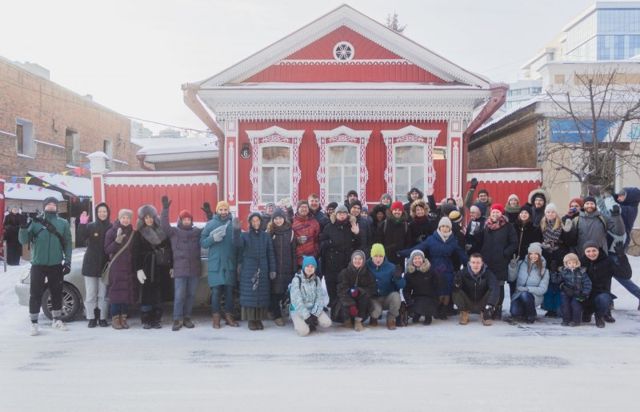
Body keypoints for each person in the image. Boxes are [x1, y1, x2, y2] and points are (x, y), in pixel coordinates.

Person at [19, 197, 72, 335]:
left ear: (57, 207)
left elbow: (68, 243)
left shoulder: (63, 223)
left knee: (56, 292)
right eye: (49, 204)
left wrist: (68, 261)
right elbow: (24, 241)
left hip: (56, 264)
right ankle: (34, 323)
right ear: (44, 206)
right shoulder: (36, 222)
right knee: (35, 293)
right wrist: (23, 228)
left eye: (54, 204)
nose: (51, 206)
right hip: (38, 264)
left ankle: (57, 320)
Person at [399, 217, 468, 320]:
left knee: (447, 289)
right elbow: (419, 248)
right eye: (443, 226)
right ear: (439, 227)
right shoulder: (431, 239)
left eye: (447, 227)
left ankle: (444, 309)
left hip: (447, 267)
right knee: (437, 288)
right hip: (435, 266)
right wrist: (403, 253)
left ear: (450, 228)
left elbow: (460, 253)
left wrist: (470, 263)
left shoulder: (453, 240)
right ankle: (436, 309)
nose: (445, 228)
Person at [160, 196, 202, 331]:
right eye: (184, 219)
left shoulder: (196, 232)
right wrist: (165, 209)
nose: (187, 221)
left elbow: (209, 230)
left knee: (191, 295)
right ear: (180, 220)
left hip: (194, 270)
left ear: (191, 221)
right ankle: (177, 319)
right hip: (180, 270)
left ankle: (187, 317)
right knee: (179, 296)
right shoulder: (174, 232)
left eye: (189, 219)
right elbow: (164, 226)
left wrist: (209, 215)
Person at [233, 213, 276, 331]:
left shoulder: (266, 236)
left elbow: (270, 253)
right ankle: (251, 320)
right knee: (250, 294)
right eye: (253, 221)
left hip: (263, 267)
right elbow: (237, 244)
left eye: (257, 220)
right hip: (249, 268)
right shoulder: (245, 235)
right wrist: (236, 231)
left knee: (261, 294)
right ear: (250, 223)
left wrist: (272, 269)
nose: (256, 223)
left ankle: (259, 319)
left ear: (261, 222)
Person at [133, 204, 173, 329]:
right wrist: (138, 269)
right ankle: (146, 319)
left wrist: (171, 266)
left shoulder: (162, 231)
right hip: (146, 268)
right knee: (147, 295)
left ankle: (157, 319)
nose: (149, 220)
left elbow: (169, 250)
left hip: (161, 267)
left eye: (151, 217)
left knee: (159, 295)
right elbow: (135, 252)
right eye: (146, 217)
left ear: (155, 218)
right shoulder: (138, 233)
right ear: (142, 219)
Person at [201, 201, 238, 329]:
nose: (223, 212)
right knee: (216, 292)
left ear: (228, 211)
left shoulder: (233, 224)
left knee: (229, 292)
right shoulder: (211, 224)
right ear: (217, 211)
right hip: (215, 264)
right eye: (221, 209)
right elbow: (203, 242)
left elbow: (239, 244)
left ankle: (229, 316)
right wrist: (212, 239)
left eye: (225, 209)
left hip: (229, 263)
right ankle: (216, 318)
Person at [319, 204, 360, 317]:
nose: (342, 215)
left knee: (345, 289)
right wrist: (331, 243)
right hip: (331, 263)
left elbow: (358, 245)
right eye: (340, 213)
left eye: (344, 213)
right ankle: (335, 313)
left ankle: (346, 314)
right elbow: (321, 243)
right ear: (335, 214)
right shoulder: (329, 226)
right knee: (332, 289)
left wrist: (357, 234)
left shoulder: (351, 226)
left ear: (347, 215)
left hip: (346, 263)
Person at [478, 203, 517, 319]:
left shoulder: (508, 226)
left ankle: (498, 308)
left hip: (501, 261)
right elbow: (480, 241)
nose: (495, 214)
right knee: (487, 284)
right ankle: (487, 307)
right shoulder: (486, 225)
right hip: (486, 261)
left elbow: (514, 243)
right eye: (493, 212)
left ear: (502, 213)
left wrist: (505, 253)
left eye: (497, 212)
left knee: (499, 286)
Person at [581, 240, 631, 328]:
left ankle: (599, 316)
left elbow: (626, 275)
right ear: (584, 252)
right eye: (588, 251)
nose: (591, 253)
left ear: (598, 250)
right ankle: (587, 312)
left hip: (601, 293)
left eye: (594, 250)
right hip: (586, 295)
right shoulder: (581, 262)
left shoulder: (608, 261)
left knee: (604, 298)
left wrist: (622, 256)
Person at [77, 204, 111, 328]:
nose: (102, 213)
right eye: (100, 211)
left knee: (103, 294)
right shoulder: (91, 226)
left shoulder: (111, 227)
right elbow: (81, 238)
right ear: (96, 213)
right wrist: (82, 224)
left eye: (104, 211)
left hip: (105, 265)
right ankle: (91, 317)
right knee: (91, 294)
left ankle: (102, 318)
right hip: (90, 264)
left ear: (108, 213)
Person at [104, 209, 136, 330]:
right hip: (116, 268)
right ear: (119, 218)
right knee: (116, 294)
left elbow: (135, 251)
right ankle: (115, 319)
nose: (125, 220)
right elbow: (107, 250)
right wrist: (117, 241)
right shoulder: (111, 232)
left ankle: (123, 319)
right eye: (123, 217)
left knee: (126, 295)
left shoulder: (132, 233)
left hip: (128, 267)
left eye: (128, 218)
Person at [540, 203, 571, 318]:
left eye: (552, 212)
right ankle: (549, 308)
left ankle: (558, 307)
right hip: (546, 256)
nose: (550, 214)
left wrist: (567, 231)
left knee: (558, 283)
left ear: (556, 213)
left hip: (559, 256)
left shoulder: (561, 224)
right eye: (548, 212)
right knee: (547, 283)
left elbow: (567, 242)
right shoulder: (541, 224)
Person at [266, 208, 296, 326]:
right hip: (275, 268)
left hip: (287, 267)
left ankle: (279, 310)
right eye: (276, 219)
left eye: (280, 218)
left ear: (284, 219)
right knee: (275, 292)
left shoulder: (290, 232)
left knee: (285, 292)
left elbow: (293, 252)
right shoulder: (270, 232)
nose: (278, 221)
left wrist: (294, 268)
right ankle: (277, 315)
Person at [289, 256, 332, 336]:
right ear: (303, 267)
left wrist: (314, 314)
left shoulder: (317, 280)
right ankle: (301, 321)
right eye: (307, 266)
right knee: (303, 332)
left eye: (312, 267)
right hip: (298, 310)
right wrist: (307, 316)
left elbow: (319, 298)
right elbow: (296, 301)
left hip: (312, 308)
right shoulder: (297, 280)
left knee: (327, 323)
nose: (309, 268)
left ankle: (311, 322)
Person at [452, 253, 499, 326]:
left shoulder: (488, 274)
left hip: (482, 302)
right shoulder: (462, 273)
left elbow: (495, 288)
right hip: (468, 302)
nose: (475, 265)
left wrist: (490, 306)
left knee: (495, 289)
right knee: (456, 292)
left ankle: (485, 313)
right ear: (469, 263)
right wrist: (456, 284)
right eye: (473, 262)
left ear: (482, 263)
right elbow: (456, 288)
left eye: (478, 262)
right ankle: (464, 313)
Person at [508, 242, 549, 324]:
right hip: (518, 294)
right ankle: (525, 311)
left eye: (536, 254)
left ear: (540, 255)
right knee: (515, 312)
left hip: (534, 296)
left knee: (525, 295)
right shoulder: (521, 264)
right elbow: (511, 279)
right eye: (531, 253)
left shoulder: (544, 270)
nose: (533, 256)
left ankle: (531, 315)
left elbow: (543, 289)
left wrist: (527, 289)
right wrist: (512, 267)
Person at [367, 243, 405, 330]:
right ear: (372, 256)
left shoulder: (391, 267)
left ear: (384, 256)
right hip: (373, 298)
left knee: (396, 297)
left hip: (387, 297)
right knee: (376, 311)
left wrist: (398, 278)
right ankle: (373, 318)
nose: (378, 259)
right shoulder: (366, 266)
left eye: (380, 256)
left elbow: (402, 285)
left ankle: (391, 319)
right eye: (375, 256)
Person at [337, 250, 377, 331]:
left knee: (365, 298)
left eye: (360, 259)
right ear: (352, 259)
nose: (357, 261)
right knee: (343, 300)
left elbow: (372, 289)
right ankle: (347, 321)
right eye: (355, 258)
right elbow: (341, 290)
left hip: (361, 305)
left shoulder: (368, 274)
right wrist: (351, 304)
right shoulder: (344, 272)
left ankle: (358, 321)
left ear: (363, 260)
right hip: (347, 303)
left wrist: (359, 291)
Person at [404, 250, 443, 325]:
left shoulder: (431, 271)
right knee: (415, 311)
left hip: (430, 297)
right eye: (415, 259)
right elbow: (406, 289)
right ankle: (417, 313)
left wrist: (439, 276)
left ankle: (428, 316)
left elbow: (437, 286)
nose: (417, 260)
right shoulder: (409, 274)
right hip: (416, 297)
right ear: (412, 261)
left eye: (419, 258)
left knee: (426, 304)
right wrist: (409, 301)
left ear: (423, 259)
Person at [373, 201, 411, 266]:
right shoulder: (384, 224)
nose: (397, 212)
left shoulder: (406, 225)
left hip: (400, 259)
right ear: (391, 211)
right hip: (386, 258)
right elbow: (378, 241)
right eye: (395, 210)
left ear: (402, 212)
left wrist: (403, 253)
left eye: (399, 210)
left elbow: (408, 242)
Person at [558, 253, 592, 327]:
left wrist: (585, 293)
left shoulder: (581, 272)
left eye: (574, 262)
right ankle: (566, 320)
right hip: (566, 292)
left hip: (578, 293)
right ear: (566, 263)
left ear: (577, 263)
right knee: (565, 305)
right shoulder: (563, 272)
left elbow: (587, 283)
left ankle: (576, 321)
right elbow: (558, 281)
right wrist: (554, 273)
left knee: (576, 305)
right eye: (569, 263)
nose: (572, 264)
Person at [292, 200, 321, 267]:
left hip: (312, 257)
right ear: (298, 209)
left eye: (306, 207)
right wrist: (296, 240)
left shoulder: (314, 222)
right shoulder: (292, 221)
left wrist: (316, 252)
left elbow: (317, 238)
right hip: (297, 257)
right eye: (302, 207)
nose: (304, 209)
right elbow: (288, 238)